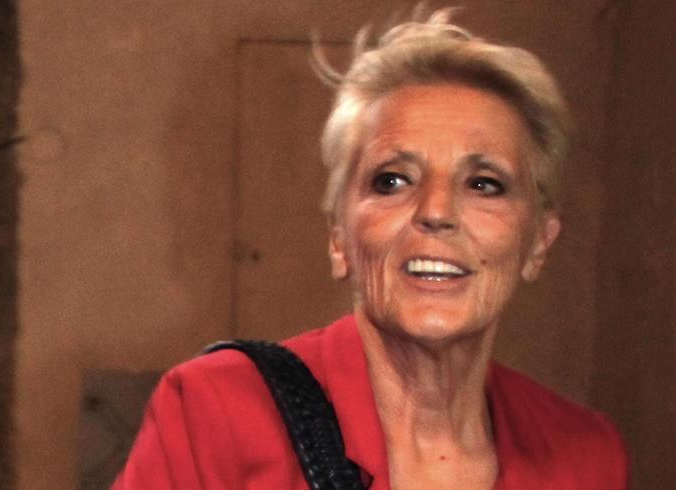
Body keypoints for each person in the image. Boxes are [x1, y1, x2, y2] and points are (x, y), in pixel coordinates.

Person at [114, 8, 627, 489]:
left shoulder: (588, 456)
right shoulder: (213, 413)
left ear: (538, 243)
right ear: (340, 238)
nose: (436, 211)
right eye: (393, 180)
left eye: (484, 184)